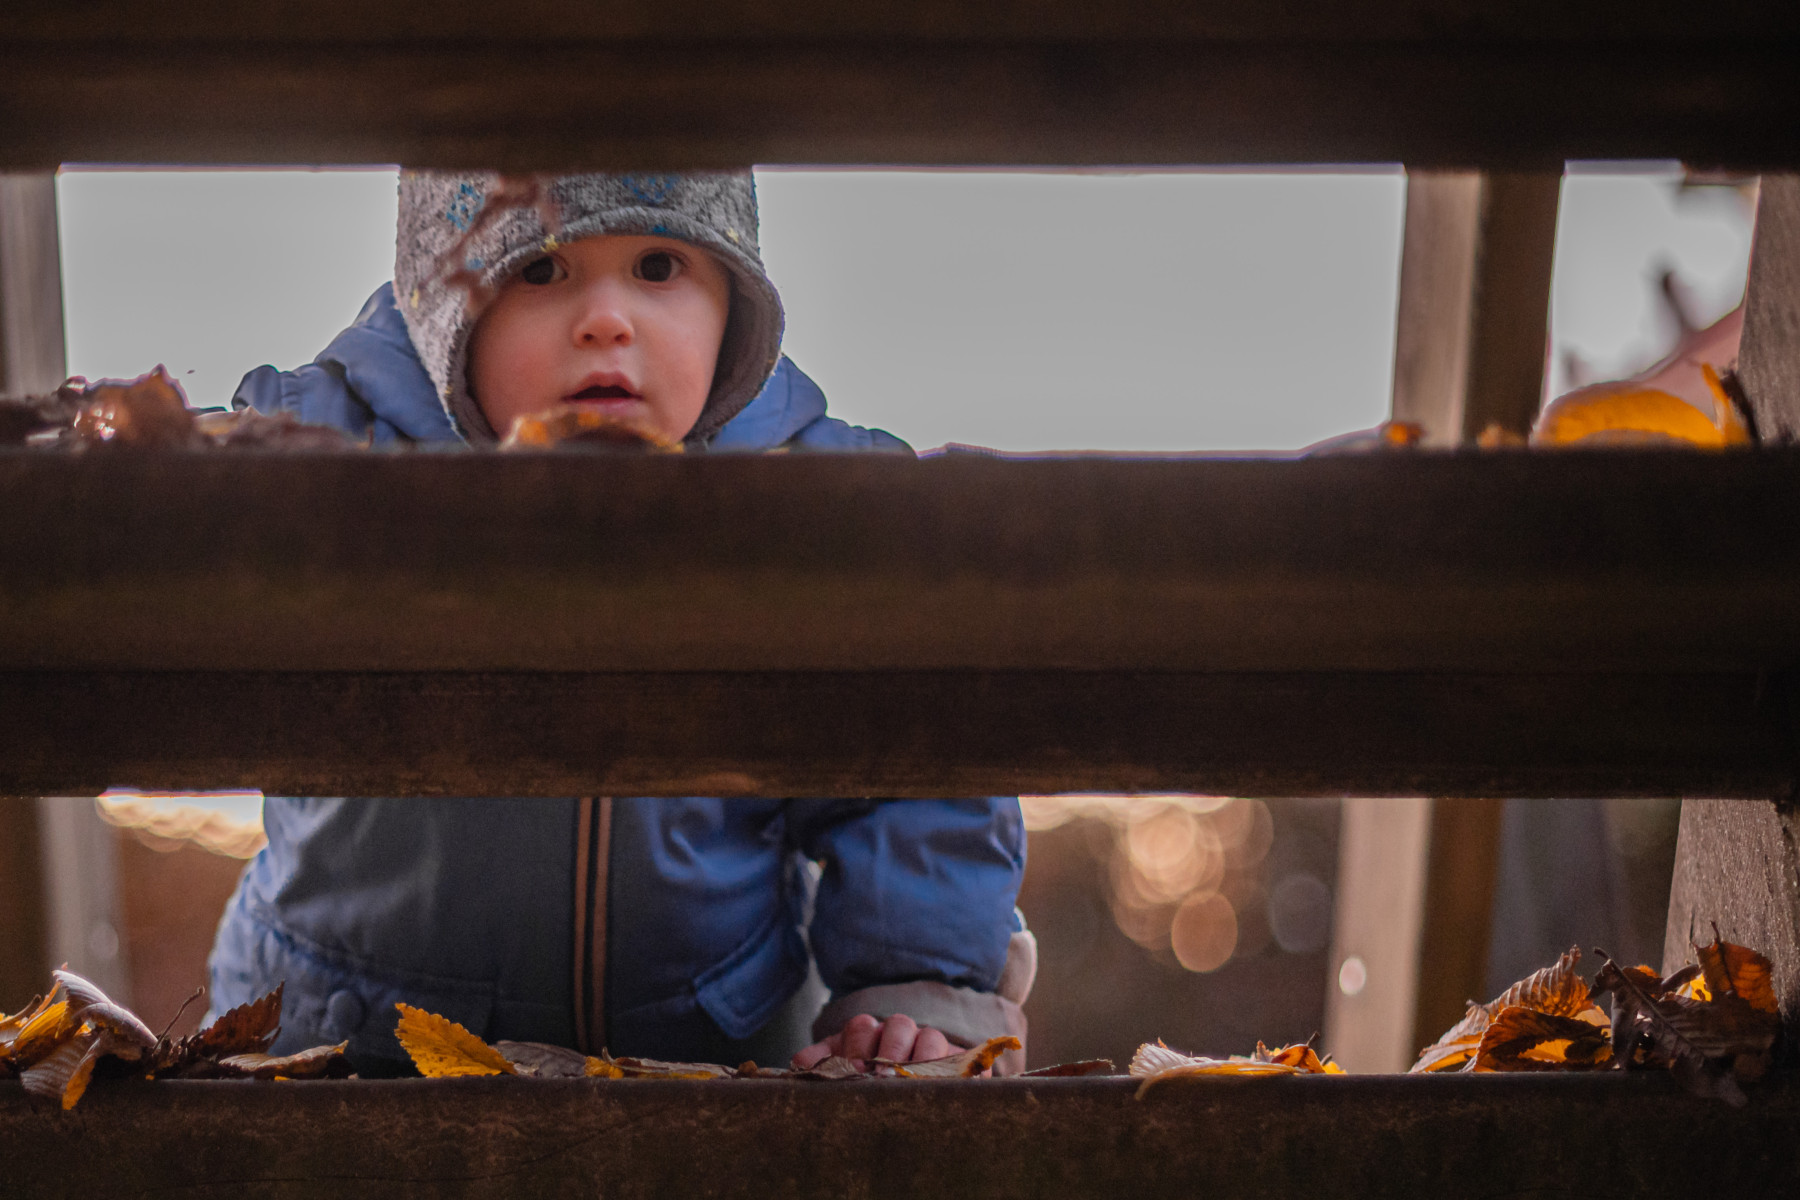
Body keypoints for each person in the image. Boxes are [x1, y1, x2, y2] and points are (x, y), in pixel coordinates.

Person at [208, 170, 1035, 1075]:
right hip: (356, 1047)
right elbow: (165, 541)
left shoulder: (813, 505)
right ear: (443, 314)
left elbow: (908, 775)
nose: (606, 318)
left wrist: (915, 988)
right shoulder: (327, 460)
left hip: (708, 1054)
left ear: (735, 306)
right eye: (540, 271)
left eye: (657, 264)